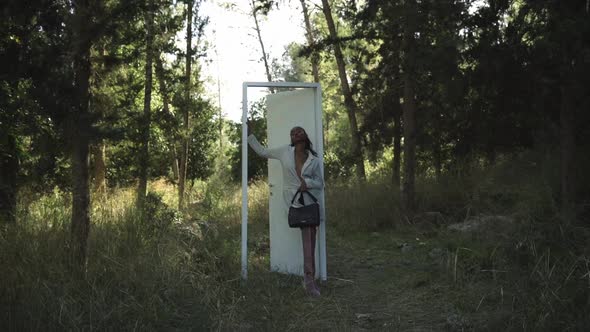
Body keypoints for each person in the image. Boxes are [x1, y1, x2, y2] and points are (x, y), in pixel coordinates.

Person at [247, 122, 324, 297]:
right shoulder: (284, 152)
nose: (295, 133)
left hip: (310, 204)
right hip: (294, 202)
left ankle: (309, 280)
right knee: (307, 241)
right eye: (292, 132)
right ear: (291, 139)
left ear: (305, 136)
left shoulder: (314, 159)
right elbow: (263, 152)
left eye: (299, 131)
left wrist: (309, 183)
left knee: (310, 241)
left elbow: (320, 183)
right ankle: (309, 279)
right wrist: (250, 135)